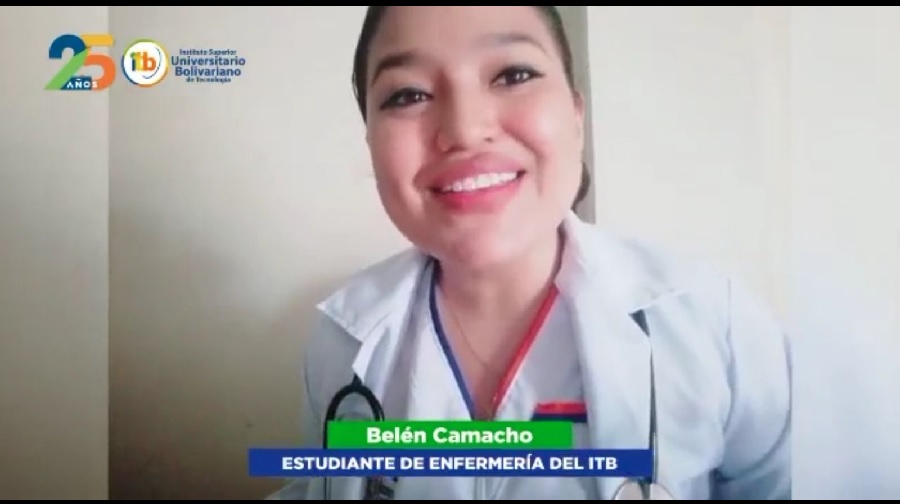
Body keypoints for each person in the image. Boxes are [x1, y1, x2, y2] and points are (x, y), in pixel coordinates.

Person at [268, 5, 791, 500]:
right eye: (407, 95)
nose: (466, 130)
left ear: (576, 116)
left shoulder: (715, 324)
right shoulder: (342, 341)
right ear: (371, 143)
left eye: (513, 74)